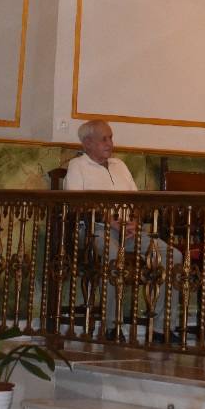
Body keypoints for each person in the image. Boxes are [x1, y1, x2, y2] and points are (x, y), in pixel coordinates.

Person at [64, 120, 180, 338]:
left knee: (172, 255)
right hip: (94, 230)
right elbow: (76, 205)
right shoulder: (77, 166)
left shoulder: (120, 165)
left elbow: (136, 201)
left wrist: (135, 220)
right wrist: (108, 220)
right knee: (113, 255)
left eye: (111, 138)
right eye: (104, 139)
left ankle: (161, 329)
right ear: (87, 143)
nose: (110, 143)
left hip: (130, 230)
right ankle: (111, 326)